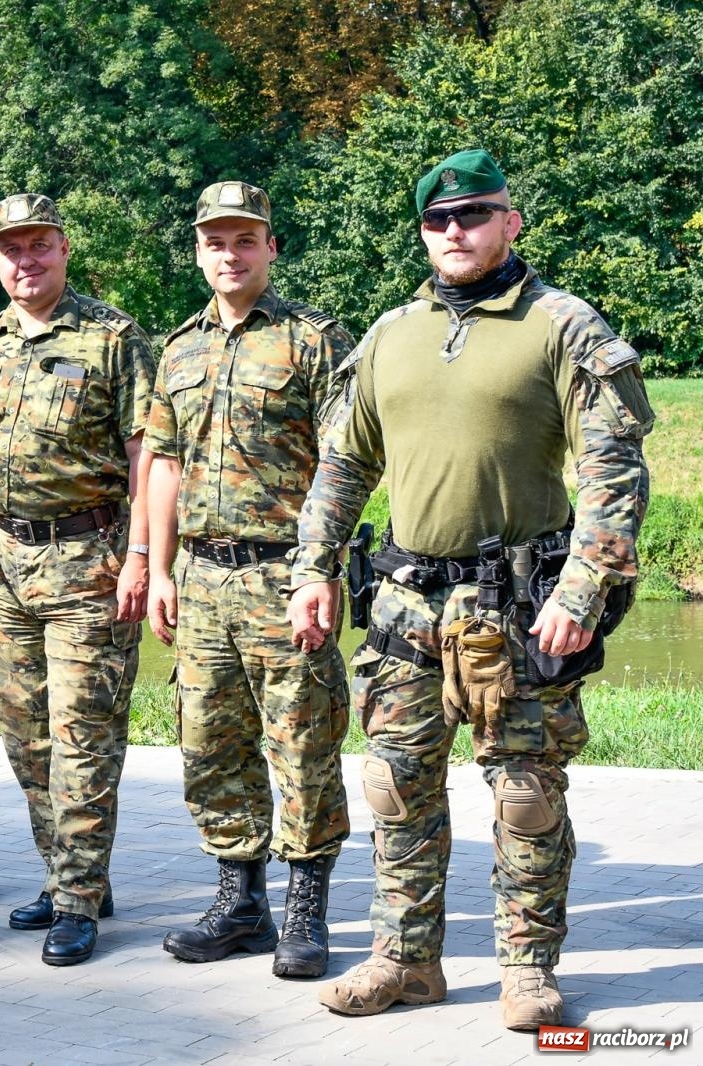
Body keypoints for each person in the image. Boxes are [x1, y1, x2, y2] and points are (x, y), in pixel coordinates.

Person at [287, 149, 652, 1030]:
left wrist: (582, 588)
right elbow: (343, 464)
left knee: (526, 797)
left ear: (510, 222)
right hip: (404, 605)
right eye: (437, 219)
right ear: (423, 233)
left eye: (474, 214)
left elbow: (614, 471)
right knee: (395, 787)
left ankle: (528, 968)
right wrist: (313, 567)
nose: (455, 230)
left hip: (519, 608)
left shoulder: (562, 325)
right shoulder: (390, 334)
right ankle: (404, 961)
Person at [0, 193, 154, 966]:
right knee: (27, 738)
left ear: (63, 248)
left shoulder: (113, 338)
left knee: (81, 737)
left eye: (38, 245)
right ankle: (68, 874)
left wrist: (141, 557)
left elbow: (147, 456)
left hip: (87, 559)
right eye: (10, 248)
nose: (24, 260)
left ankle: (77, 897)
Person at [144, 182, 352, 978]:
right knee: (209, 744)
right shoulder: (179, 348)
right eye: (215, 241)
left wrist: (318, 570)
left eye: (244, 239)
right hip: (201, 579)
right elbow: (163, 464)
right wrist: (156, 566)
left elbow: (342, 464)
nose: (229, 254)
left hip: (283, 575)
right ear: (198, 252)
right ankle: (240, 905)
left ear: (271, 246)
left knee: (302, 743)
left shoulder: (313, 340)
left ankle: (306, 913)